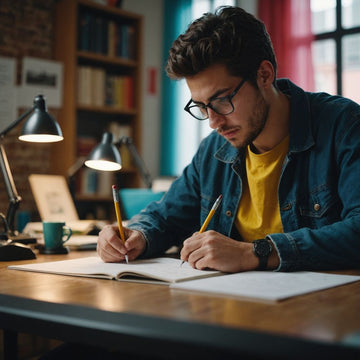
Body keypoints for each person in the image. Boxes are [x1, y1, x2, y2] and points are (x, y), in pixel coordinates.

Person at [98, 6, 360, 272]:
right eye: (201, 106)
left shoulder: (344, 125)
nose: (213, 122)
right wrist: (136, 236)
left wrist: (256, 252)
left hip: (321, 307)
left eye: (222, 100)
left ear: (264, 75)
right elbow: (165, 217)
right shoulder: (214, 150)